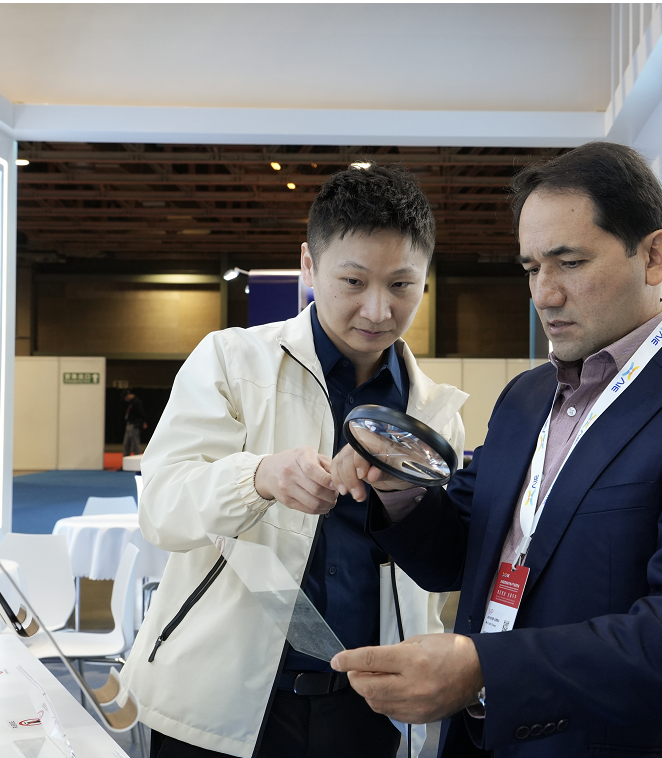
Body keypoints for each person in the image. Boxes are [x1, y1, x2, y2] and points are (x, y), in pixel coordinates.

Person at [328, 142, 662, 758]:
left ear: (655, 257)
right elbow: (461, 550)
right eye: (531, 268)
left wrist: (485, 669)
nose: (544, 294)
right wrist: (401, 493)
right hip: (482, 737)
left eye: (569, 263)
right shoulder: (526, 396)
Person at [117, 163, 468, 758]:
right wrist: (257, 478)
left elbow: (433, 573)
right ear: (309, 265)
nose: (377, 310)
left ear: (425, 279)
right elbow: (162, 507)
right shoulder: (232, 361)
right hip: (220, 703)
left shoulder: (433, 413)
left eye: (402, 285)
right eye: (352, 281)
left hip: (367, 708)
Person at [122, 389, 147, 456]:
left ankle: (137, 460)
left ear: (127, 396)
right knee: (126, 444)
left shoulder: (136, 402)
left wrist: (144, 422)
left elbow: (141, 413)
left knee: (135, 444)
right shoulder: (131, 402)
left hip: (134, 425)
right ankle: (125, 460)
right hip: (129, 425)